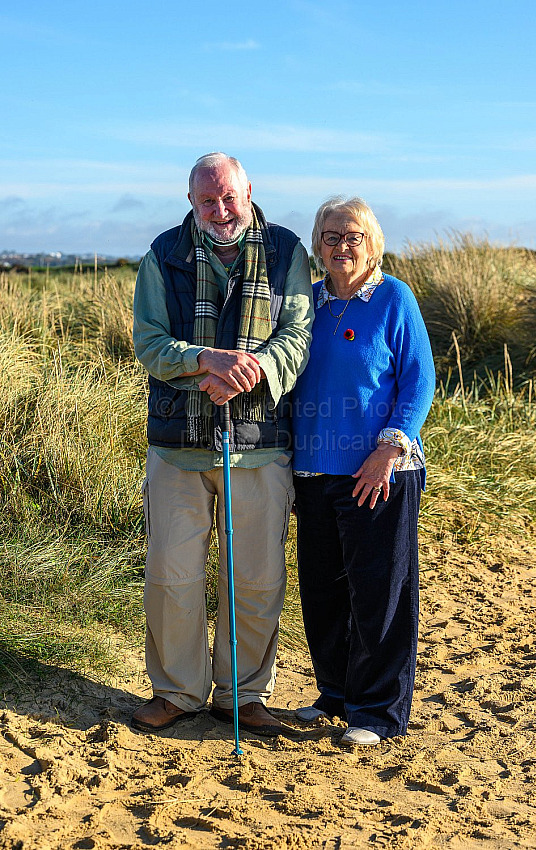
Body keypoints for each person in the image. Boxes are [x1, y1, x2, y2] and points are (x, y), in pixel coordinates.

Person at [131, 152, 314, 736]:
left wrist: (251, 369)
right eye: (207, 200)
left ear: (249, 190)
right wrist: (205, 361)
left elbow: (299, 335)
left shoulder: (287, 250)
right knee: (171, 576)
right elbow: (149, 342)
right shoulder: (162, 255)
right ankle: (178, 693)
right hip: (178, 447)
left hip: (260, 446)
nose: (220, 209)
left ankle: (243, 695)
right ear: (191, 201)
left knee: (256, 578)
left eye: (229, 196)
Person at [292, 197, 435, 746]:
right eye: (330, 236)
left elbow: (418, 380)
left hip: (381, 468)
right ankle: (337, 692)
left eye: (352, 235)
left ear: (372, 241)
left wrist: (388, 448)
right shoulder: (309, 304)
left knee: (381, 592)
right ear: (317, 244)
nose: (341, 246)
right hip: (313, 469)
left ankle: (377, 712)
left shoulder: (394, 297)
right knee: (323, 590)